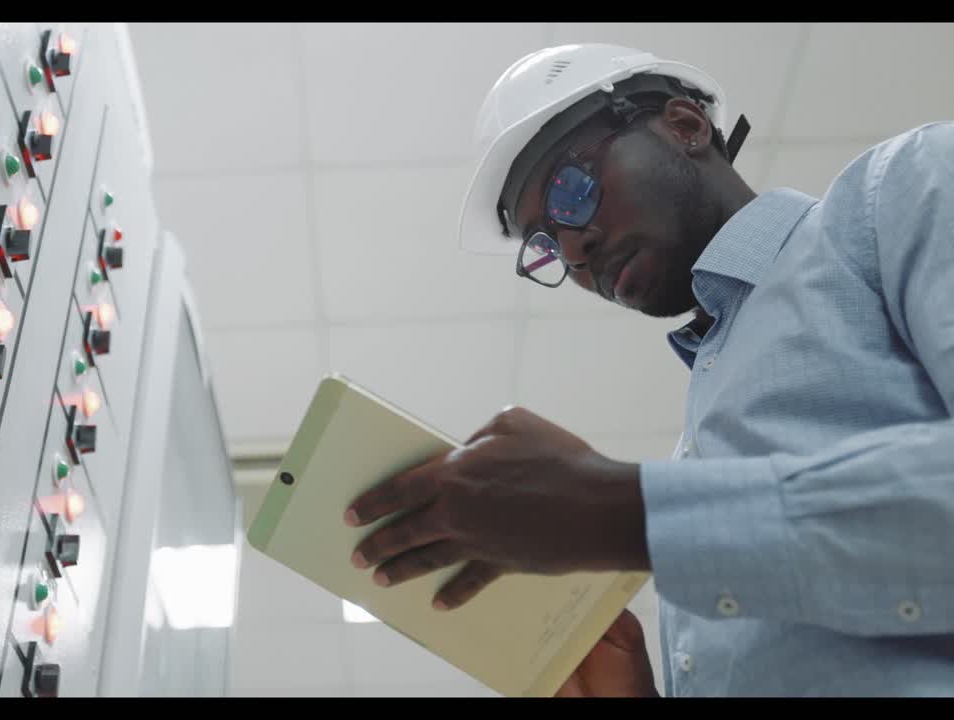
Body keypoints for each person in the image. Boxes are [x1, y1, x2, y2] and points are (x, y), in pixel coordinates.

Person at [342, 43, 954, 697]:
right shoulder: (693, 461)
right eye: (546, 245)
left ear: (685, 126)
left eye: (571, 190)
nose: (574, 249)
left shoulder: (900, 191)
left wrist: (620, 511)